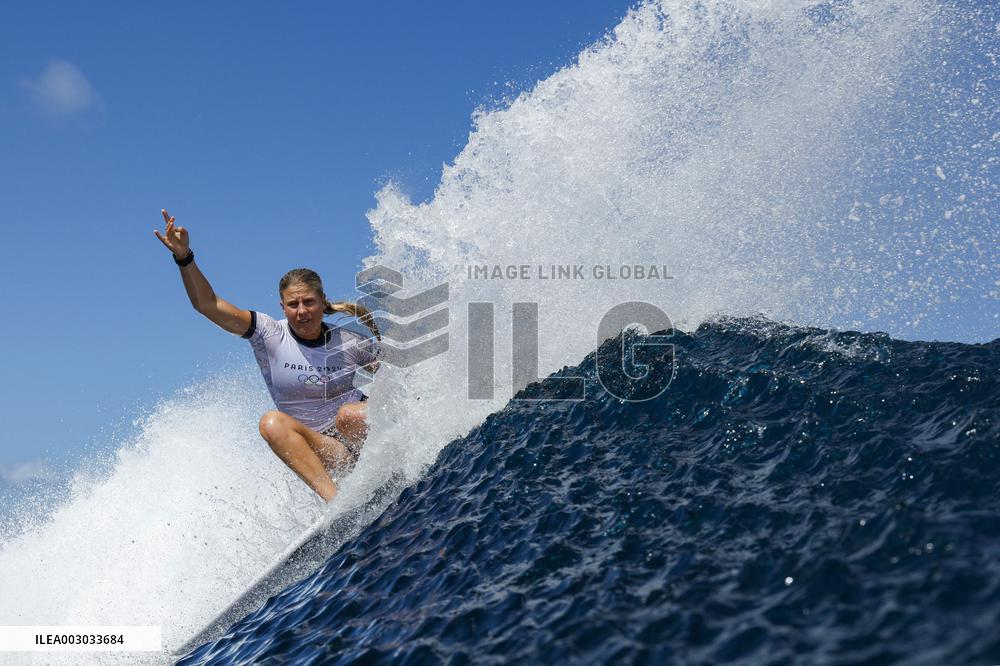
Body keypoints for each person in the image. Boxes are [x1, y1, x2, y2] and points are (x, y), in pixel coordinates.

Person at [153, 208, 380, 502]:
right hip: (326, 450)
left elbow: (398, 378)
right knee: (271, 423)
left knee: (348, 415)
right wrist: (184, 258)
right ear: (282, 307)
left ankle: (398, 456)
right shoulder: (268, 333)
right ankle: (337, 504)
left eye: (309, 302)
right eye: (293, 304)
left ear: (323, 303)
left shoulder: (351, 341)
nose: (302, 311)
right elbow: (207, 305)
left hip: (366, 434)